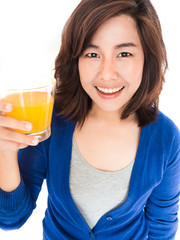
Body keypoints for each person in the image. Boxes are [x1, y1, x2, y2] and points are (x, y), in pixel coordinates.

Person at [0, 0, 180, 239]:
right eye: (92, 54)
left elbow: (162, 228)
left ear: (147, 58)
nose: (107, 74)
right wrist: (5, 149)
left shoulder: (166, 138)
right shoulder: (50, 120)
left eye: (124, 53)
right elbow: (11, 219)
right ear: (76, 59)